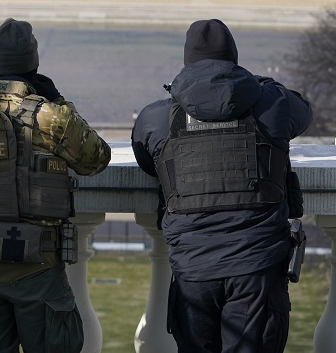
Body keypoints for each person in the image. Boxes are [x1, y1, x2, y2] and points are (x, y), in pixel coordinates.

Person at [131, 19, 312, 353]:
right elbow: (304, 111)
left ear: (187, 63)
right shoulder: (272, 103)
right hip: (257, 268)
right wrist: (263, 85)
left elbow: (147, 161)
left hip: (193, 269)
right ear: (234, 60)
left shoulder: (156, 118)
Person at [0, 18, 111, 353]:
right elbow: (96, 159)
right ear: (34, 67)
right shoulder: (48, 114)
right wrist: (59, 101)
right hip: (38, 268)